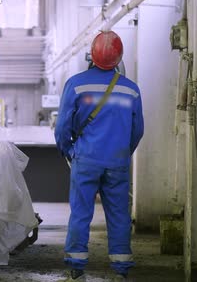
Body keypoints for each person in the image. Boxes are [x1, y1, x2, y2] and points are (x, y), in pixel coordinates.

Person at [55, 31, 144, 281]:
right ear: (119, 58)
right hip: (117, 161)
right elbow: (138, 130)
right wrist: (123, 153)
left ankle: (77, 265)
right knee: (118, 214)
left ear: (91, 56)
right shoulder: (131, 90)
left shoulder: (76, 84)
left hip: (86, 159)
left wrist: (68, 150)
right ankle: (121, 267)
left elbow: (63, 126)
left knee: (81, 211)